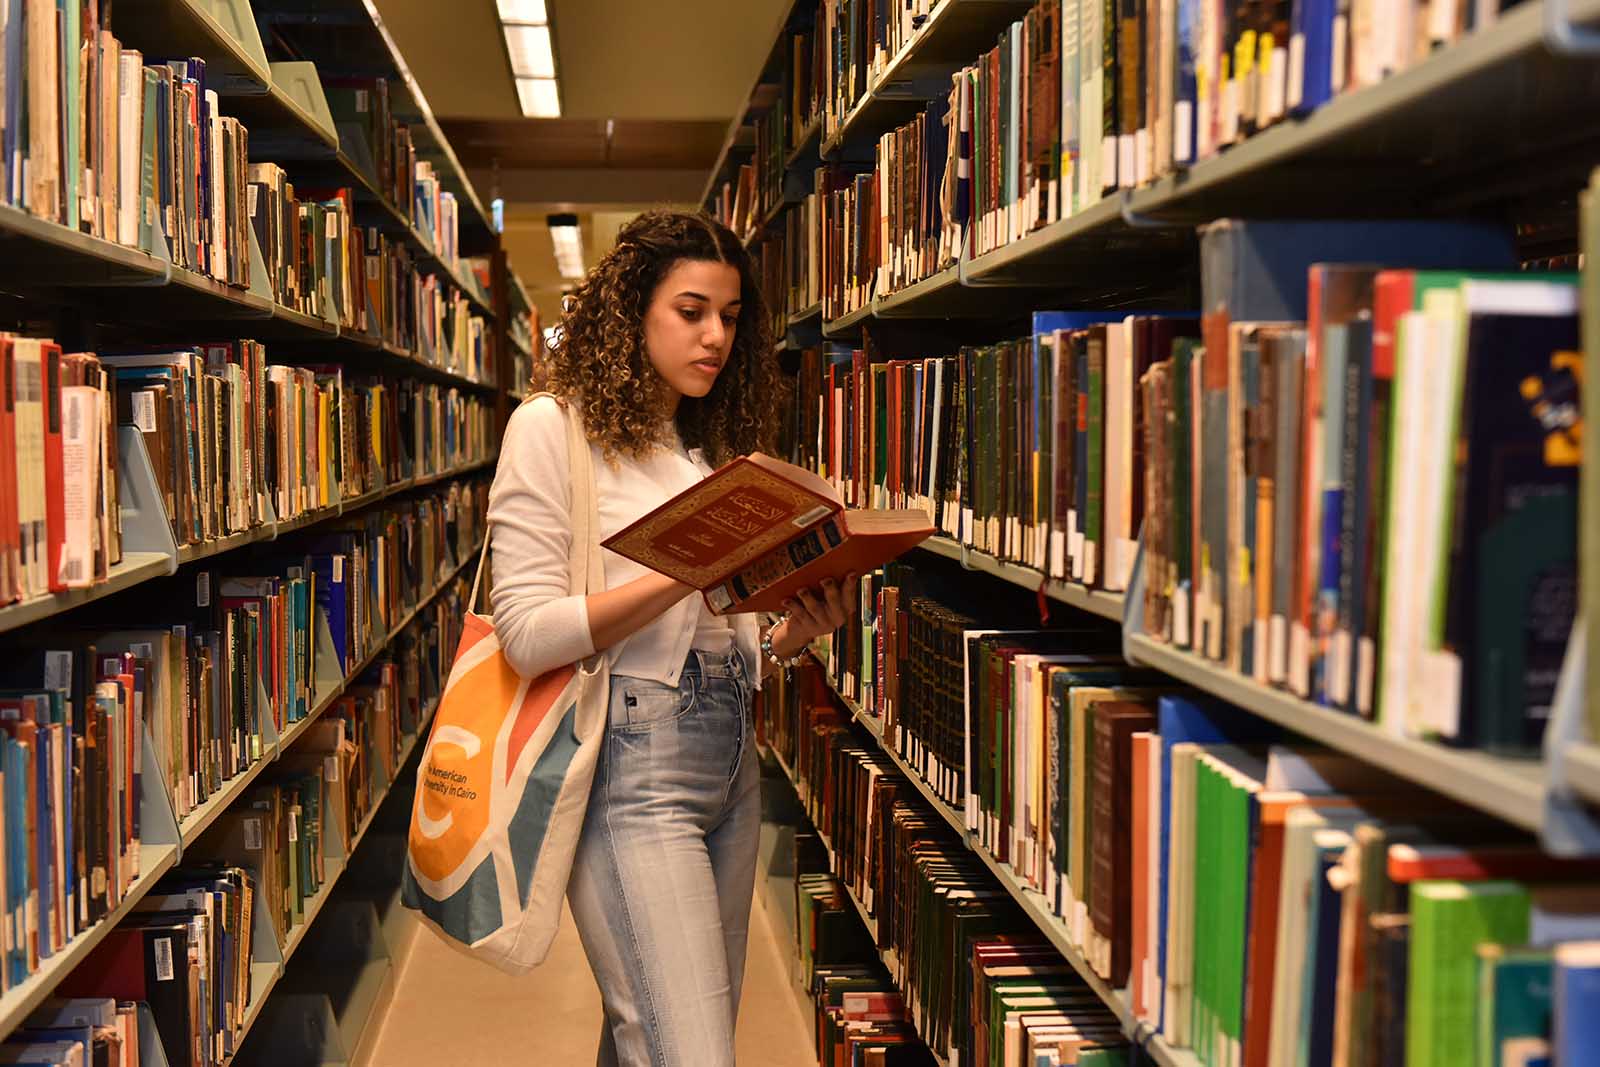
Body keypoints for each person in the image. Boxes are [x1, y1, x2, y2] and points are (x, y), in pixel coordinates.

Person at [486, 209, 853, 1067]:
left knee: (663, 1034)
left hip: (731, 763)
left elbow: (723, 641)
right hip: (630, 766)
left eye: (730, 316)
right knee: (684, 1047)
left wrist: (793, 634)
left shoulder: (698, 453)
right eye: (692, 311)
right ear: (633, 312)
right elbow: (526, 634)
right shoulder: (553, 430)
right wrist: (684, 569)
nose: (716, 335)